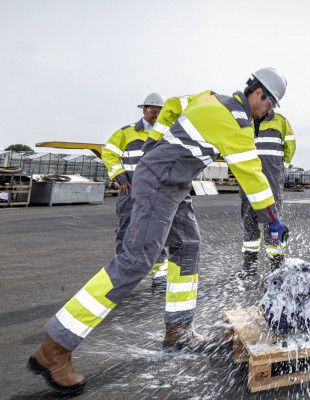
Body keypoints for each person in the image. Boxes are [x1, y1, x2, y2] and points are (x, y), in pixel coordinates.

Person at [27, 68, 289, 394]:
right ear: (260, 94)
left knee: (187, 245)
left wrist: (154, 140)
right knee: (136, 260)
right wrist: (273, 220)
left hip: (171, 183)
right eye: (271, 105)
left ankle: (178, 331)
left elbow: (175, 104)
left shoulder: (211, 97)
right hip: (161, 183)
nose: (270, 112)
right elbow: (252, 175)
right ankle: (54, 349)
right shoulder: (236, 123)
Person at [101, 93, 169, 286]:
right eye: (153, 112)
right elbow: (109, 154)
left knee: (157, 230)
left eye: (159, 113)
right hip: (129, 190)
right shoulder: (126, 133)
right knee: (126, 230)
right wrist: (119, 176)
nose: (156, 116)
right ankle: (121, 274)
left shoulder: (166, 133)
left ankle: (159, 274)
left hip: (156, 191)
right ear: (144, 110)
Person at [241, 110, 296, 275]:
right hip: (248, 182)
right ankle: (249, 268)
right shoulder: (244, 121)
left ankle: (276, 270)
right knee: (249, 224)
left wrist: (279, 170)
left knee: (272, 226)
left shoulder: (281, 121)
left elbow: (290, 148)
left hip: (271, 182)